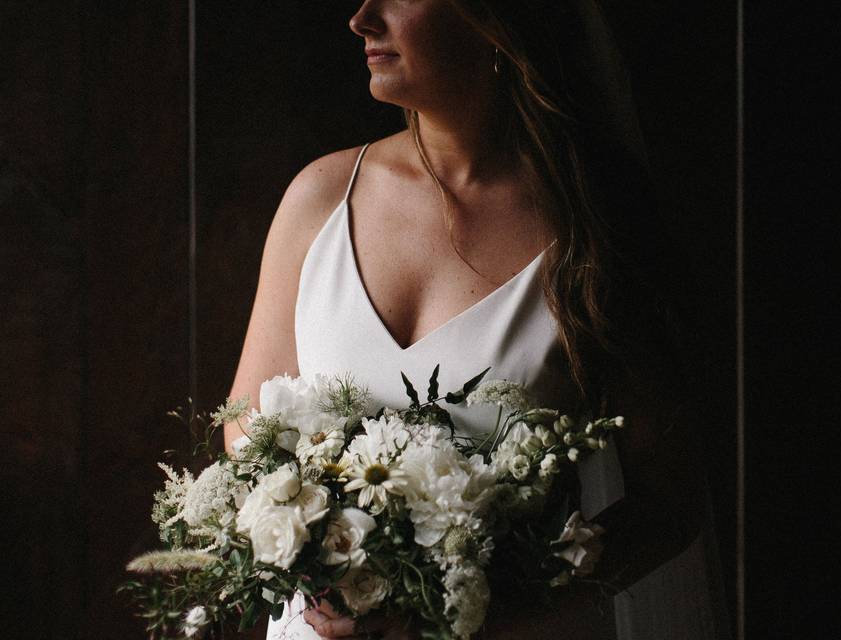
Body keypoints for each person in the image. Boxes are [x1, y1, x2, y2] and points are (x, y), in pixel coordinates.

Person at [224, 1, 727, 638]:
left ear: (494, 19)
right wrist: (331, 562)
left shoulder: (594, 230)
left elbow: (669, 500)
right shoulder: (320, 199)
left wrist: (476, 608)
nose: (361, 18)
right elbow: (244, 431)